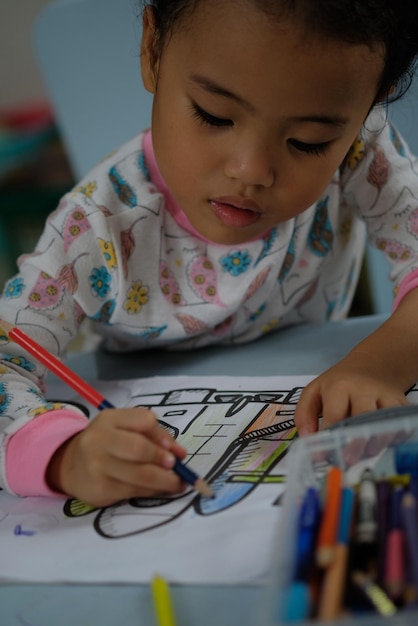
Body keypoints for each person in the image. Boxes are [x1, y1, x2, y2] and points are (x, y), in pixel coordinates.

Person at [1, 0, 418, 506]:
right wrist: (62, 453)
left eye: (308, 142)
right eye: (214, 115)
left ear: (377, 99)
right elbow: (9, 359)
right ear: (152, 49)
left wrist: (381, 365)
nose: (251, 171)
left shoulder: (360, 146)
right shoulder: (97, 226)